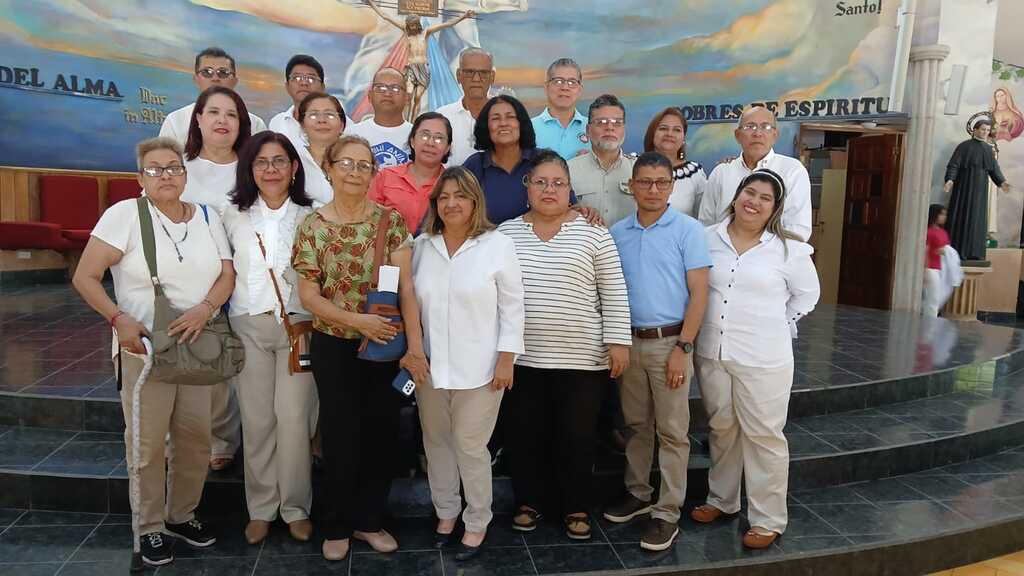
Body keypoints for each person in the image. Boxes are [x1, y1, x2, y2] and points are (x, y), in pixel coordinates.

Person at [72, 137, 233, 566]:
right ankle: (149, 527)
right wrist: (117, 318)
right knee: (146, 445)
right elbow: (86, 276)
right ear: (141, 177)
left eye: (173, 168)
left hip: (198, 345)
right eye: (155, 169)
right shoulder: (123, 216)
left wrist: (205, 308)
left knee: (196, 439)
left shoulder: (207, 218)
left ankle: (182, 515)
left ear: (185, 173)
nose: (166, 176)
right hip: (143, 348)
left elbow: (227, 274)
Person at [292, 134, 429, 561]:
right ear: (329, 169)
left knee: (382, 434)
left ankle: (370, 520)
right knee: (339, 436)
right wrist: (357, 321)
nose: (355, 171)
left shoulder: (389, 222)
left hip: (386, 346)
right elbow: (309, 297)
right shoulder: (312, 227)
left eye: (364, 164)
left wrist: (416, 347)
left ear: (374, 173)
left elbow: (406, 288)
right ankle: (336, 524)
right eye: (346, 163)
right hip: (334, 346)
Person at [497, 149, 631, 541]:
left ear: (571, 189)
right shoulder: (506, 234)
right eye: (540, 182)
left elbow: (614, 290)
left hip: (583, 359)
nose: (549, 189)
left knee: (577, 437)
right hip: (524, 359)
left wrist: (618, 342)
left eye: (558, 182)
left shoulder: (594, 232)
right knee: (525, 435)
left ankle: (576, 506)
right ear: (528, 189)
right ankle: (529, 502)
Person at [691, 168, 820, 550]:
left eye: (765, 198)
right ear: (736, 195)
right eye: (750, 192)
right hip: (712, 351)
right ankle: (722, 500)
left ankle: (767, 518)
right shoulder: (705, 238)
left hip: (764, 357)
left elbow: (807, 297)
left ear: (775, 208)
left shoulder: (789, 250)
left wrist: (776, 324)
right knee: (722, 427)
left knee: (763, 435)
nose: (754, 201)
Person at [412, 166, 525, 561]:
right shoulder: (422, 247)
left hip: (482, 369)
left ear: (475, 200)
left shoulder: (497, 244)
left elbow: (513, 307)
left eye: (460, 195)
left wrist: (507, 359)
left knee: (470, 446)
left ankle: (477, 520)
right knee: (436, 444)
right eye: (443, 197)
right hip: (430, 368)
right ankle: (446, 513)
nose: (451, 203)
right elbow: (410, 306)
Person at [605, 152, 711, 552]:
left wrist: (684, 345)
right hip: (628, 343)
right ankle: (638, 493)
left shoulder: (688, 230)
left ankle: (667, 511)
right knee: (636, 425)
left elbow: (700, 291)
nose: (653, 189)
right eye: (645, 182)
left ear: (671, 186)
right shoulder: (618, 232)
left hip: (671, 343)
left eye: (661, 183)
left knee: (672, 430)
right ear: (632, 186)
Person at [221, 131, 316, 545]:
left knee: (294, 419)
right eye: (262, 162)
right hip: (249, 324)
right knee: (258, 421)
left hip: (299, 327)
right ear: (250, 169)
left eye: (280, 161)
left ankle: (295, 507)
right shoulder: (231, 215)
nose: (271, 169)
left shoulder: (313, 215)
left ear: (294, 168)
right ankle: (261, 508)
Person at [180, 85, 251, 471]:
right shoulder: (182, 169)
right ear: (199, 119)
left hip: (246, 279)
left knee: (240, 362)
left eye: (232, 114)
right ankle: (211, 438)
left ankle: (237, 435)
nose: (223, 121)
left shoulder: (251, 167)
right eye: (215, 112)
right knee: (206, 364)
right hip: (196, 279)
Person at [698, 106, 812, 241]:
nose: (758, 133)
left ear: (775, 135)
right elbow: (706, 224)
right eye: (750, 126)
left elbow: (798, 229)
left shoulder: (792, 171)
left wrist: (756, 251)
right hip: (723, 256)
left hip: (774, 258)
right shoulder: (721, 172)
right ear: (737, 135)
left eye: (766, 127)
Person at [364, 0, 475, 121]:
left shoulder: (425, 33)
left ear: (417, 24)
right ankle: (405, 121)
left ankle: (413, 122)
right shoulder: (407, 33)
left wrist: (464, 17)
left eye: (413, 25)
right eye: (409, 25)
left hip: (423, 69)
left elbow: (447, 24)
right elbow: (386, 17)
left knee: (417, 99)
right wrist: (372, 5)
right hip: (411, 68)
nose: (411, 27)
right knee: (409, 95)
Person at [160, 47, 266, 146]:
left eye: (223, 73)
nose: (215, 78)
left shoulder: (256, 124)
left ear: (234, 81)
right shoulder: (175, 121)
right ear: (196, 79)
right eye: (207, 72)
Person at [369, 112, 452, 233]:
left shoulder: (451, 184)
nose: (430, 143)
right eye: (424, 135)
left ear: (447, 148)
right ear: (412, 141)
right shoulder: (385, 177)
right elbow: (368, 222)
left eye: (439, 138)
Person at [943, 117, 1011, 262]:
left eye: (987, 130)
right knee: (961, 215)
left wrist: (1002, 182)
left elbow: (994, 169)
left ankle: (975, 251)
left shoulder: (988, 149)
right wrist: (950, 179)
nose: (985, 132)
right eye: (983, 129)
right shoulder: (964, 146)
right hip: (963, 187)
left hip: (980, 190)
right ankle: (958, 251)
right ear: (975, 130)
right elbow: (954, 164)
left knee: (977, 218)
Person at [567, 94, 636, 227]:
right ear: (588, 130)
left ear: (624, 130)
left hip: (627, 246)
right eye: (601, 122)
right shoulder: (569, 170)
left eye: (617, 123)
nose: (610, 128)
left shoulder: (637, 170)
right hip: (584, 245)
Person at [435, 48, 495, 165]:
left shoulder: (505, 118)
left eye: (483, 73)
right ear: (458, 75)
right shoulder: (442, 117)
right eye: (469, 72)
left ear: (492, 77)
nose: (476, 79)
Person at [644, 107, 707, 218]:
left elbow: (703, 219)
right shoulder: (632, 165)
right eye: (663, 128)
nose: (669, 134)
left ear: (683, 138)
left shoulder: (695, 173)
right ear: (652, 133)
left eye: (677, 130)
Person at [346, 68, 414, 168]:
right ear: (370, 96)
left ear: (407, 98)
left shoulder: (416, 135)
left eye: (395, 89)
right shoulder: (352, 134)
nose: (387, 94)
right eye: (380, 88)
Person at [531, 58, 588, 160]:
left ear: (580, 90)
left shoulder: (593, 128)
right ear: (546, 87)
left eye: (572, 82)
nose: (565, 87)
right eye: (558, 81)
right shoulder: (528, 128)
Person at [296, 91, 346, 205]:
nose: (322, 120)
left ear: (342, 125)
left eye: (330, 115)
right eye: (313, 115)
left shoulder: (356, 160)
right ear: (302, 125)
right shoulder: (293, 160)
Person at [268, 54, 326, 146]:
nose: (304, 83)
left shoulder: (339, 122)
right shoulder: (277, 122)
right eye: (297, 78)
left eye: (311, 78)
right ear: (287, 86)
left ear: (322, 87)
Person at [923, 204, 950, 317]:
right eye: (941, 214)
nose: (944, 216)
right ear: (934, 215)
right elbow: (925, 250)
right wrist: (924, 269)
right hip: (930, 268)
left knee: (935, 298)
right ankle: (930, 324)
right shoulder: (928, 232)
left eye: (945, 214)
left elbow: (946, 249)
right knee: (933, 299)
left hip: (940, 268)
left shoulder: (943, 232)